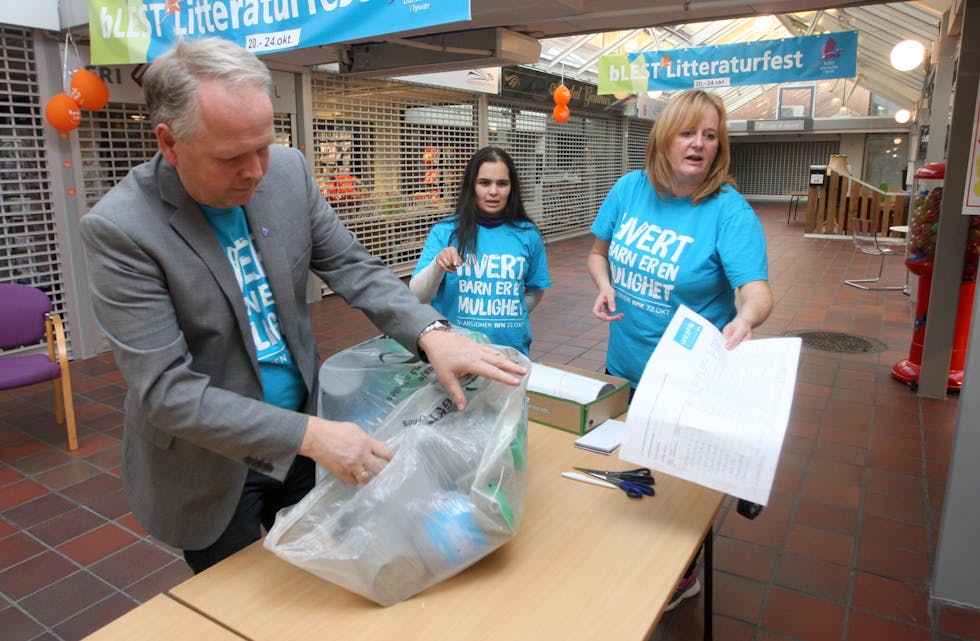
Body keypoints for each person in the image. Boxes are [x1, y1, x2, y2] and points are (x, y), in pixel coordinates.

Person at [78, 38, 526, 574]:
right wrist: (313, 437)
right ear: (170, 144)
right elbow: (167, 393)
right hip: (213, 461)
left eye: (264, 146)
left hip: (310, 428)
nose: (255, 171)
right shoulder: (122, 229)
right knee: (244, 603)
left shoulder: (287, 172)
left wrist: (432, 332)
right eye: (230, 157)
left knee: (322, 576)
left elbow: (353, 267)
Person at [586, 88, 773, 610]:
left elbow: (756, 290)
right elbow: (597, 253)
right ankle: (636, 554)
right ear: (664, 137)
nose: (699, 144)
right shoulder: (628, 189)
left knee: (677, 488)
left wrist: (744, 318)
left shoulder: (727, 212)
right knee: (633, 472)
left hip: (687, 380)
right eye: (688, 132)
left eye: (710, 135)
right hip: (625, 366)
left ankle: (681, 573)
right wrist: (605, 285)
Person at [410, 146, 551, 355]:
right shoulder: (445, 232)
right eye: (484, 183)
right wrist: (437, 266)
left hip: (511, 354)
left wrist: (507, 315)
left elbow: (536, 290)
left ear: (512, 188)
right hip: (456, 354)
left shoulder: (527, 234)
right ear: (471, 186)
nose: (493, 191)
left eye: (502, 183)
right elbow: (416, 296)